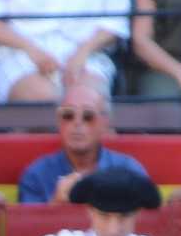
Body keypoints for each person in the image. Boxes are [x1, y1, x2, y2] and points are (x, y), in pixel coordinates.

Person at [0, 0, 131, 102]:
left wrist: (83, 52)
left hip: (87, 54)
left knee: (88, 101)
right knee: (44, 99)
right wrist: (31, 49)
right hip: (16, 53)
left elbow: (117, 21)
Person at [16, 84, 148, 204]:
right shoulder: (36, 175)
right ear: (59, 122)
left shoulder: (129, 171)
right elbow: (26, 228)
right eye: (68, 115)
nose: (77, 123)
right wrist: (55, 204)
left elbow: (147, 223)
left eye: (88, 116)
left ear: (105, 123)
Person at [30, 167, 176, 236]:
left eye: (124, 216)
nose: (113, 230)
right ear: (90, 211)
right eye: (104, 216)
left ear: (136, 214)